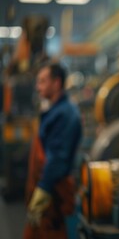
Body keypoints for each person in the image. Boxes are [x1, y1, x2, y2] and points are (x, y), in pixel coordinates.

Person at [23, 62, 82, 239]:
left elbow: (57, 158)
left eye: (42, 81)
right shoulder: (55, 110)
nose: (37, 86)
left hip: (53, 194)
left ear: (56, 83)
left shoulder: (65, 114)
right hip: (48, 190)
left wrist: (43, 189)